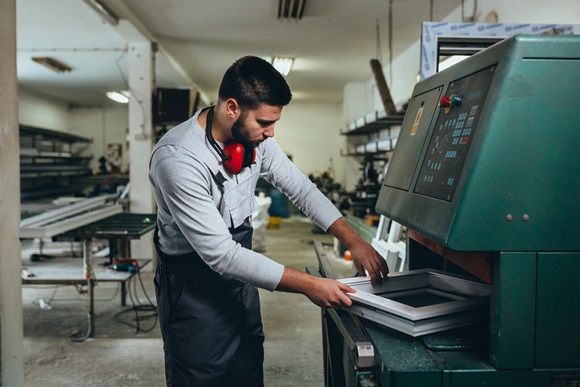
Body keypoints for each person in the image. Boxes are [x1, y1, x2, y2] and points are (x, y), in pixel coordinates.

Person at [148, 55, 389, 387]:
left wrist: (354, 241)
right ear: (231, 108)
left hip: (241, 279)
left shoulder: (255, 142)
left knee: (247, 366)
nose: (271, 132)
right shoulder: (178, 159)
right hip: (193, 286)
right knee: (202, 375)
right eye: (264, 122)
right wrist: (311, 286)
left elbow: (301, 189)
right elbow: (221, 255)